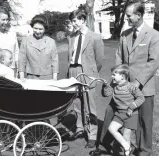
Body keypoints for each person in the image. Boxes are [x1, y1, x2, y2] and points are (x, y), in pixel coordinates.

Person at [90, 2, 159, 156]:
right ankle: (118, 147)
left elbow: (154, 62)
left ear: (139, 15)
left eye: (129, 15)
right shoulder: (124, 34)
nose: (126, 18)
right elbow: (119, 57)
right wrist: (117, 80)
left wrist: (137, 82)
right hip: (123, 86)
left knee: (144, 121)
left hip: (144, 87)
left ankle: (144, 150)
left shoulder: (154, 35)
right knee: (116, 113)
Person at [67, 9, 104, 148]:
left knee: (90, 105)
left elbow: (100, 59)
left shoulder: (95, 37)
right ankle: (79, 129)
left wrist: (92, 73)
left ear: (82, 20)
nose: (73, 23)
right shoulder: (71, 36)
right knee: (77, 102)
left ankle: (92, 135)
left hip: (87, 72)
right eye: (72, 21)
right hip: (73, 71)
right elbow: (69, 56)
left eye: (75, 21)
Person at [102, 64, 145, 156]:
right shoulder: (114, 86)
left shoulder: (130, 87)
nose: (111, 76)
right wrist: (106, 86)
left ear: (122, 77)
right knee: (111, 128)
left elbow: (141, 98)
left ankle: (126, 153)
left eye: (114, 74)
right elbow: (106, 94)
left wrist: (131, 106)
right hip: (119, 114)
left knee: (126, 136)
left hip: (131, 115)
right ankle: (126, 146)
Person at [18, 14, 59, 81]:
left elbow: (55, 60)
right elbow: (22, 60)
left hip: (48, 77)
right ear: (32, 27)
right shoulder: (25, 41)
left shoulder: (51, 42)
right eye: (35, 28)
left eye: (40, 29)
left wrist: (55, 78)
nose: (37, 31)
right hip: (31, 77)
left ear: (45, 29)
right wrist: (21, 77)